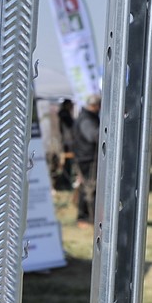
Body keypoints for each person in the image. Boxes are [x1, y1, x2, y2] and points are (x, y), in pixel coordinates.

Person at [71, 94, 102, 227]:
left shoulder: (88, 117)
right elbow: (92, 135)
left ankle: (87, 217)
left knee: (87, 188)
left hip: (87, 157)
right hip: (87, 159)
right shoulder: (86, 119)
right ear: (95, 106)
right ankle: (85, 217)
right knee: (89, 189)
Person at [55, 98, 76, 190]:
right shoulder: (65, 115)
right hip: (67, 143)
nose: (72, 107)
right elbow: (71, 127)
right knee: (67, 163)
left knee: (67, 164)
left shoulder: (63, 115)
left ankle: (67, 182)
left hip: (66, 142)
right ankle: (66, 182)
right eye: (71, 105)